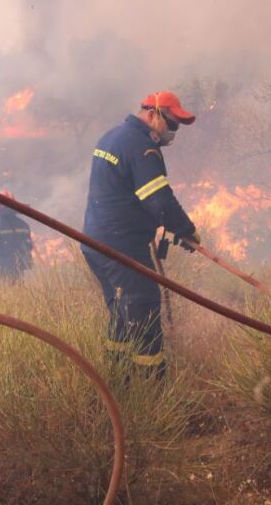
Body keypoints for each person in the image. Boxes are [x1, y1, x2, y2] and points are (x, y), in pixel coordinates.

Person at [81, 91, 201, 377]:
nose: (174, 132)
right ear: (152, 115)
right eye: (171, 124)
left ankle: (117, 379)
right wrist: (187, 230)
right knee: (144, 307)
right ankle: (151, 387)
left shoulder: (112, 137)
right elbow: (159, 199)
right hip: (120, 247)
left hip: (95, 243)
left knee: (122, 311)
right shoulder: (142, 148)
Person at [0, 195, 34, 280]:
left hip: (4, 263)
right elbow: (29, 245)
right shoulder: (24, 224)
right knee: (17, 287)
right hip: (20, 264)